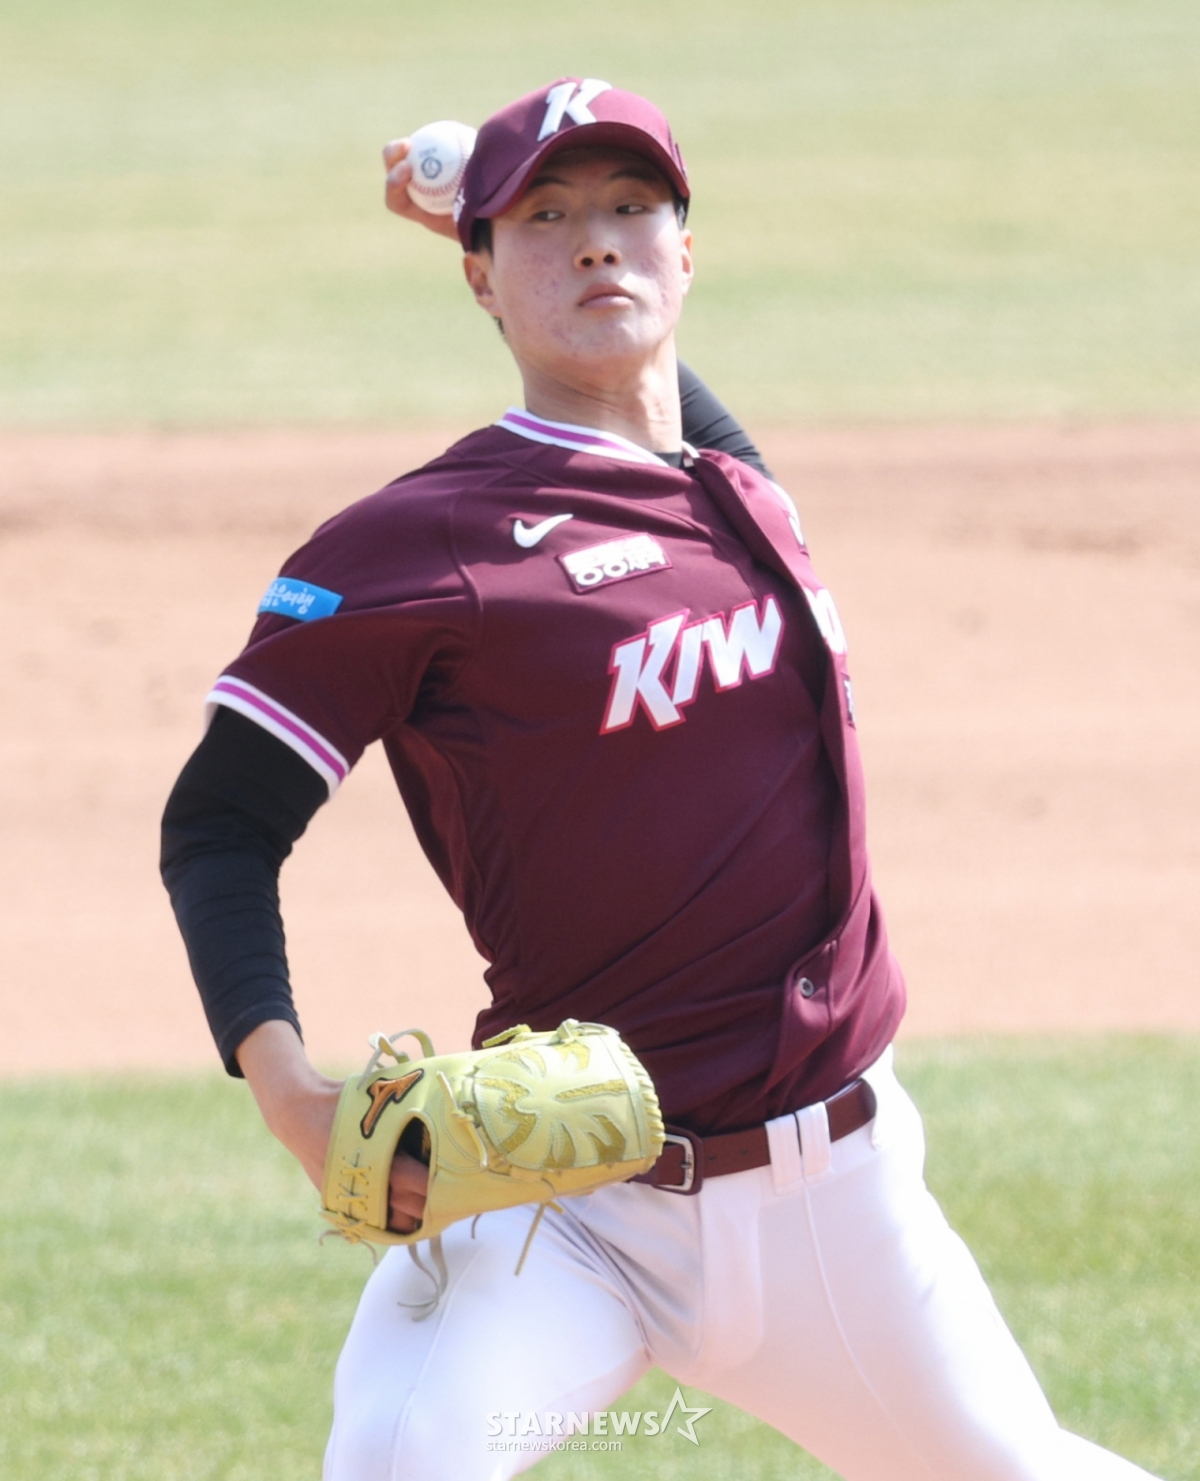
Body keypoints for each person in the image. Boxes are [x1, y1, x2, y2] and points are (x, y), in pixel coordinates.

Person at [162, 78, 1163, 1481]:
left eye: (633, 211)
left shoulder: (740, 499)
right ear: (476, 283)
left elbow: (651, 403)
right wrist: (289, 1090)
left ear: (691, 253)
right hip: (570, 1203)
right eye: (551, 220)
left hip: (842, 1206)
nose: (598, 244)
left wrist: (506, 224)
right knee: (402, 1462)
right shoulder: (417, 547)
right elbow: (218, 819)